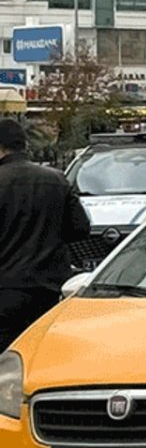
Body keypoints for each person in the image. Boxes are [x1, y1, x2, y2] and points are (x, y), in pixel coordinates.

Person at [0, 119, 91, 350]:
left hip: (5, 290)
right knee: (41, 354)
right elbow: (80, 229)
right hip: (50, 288)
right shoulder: (56, 179)